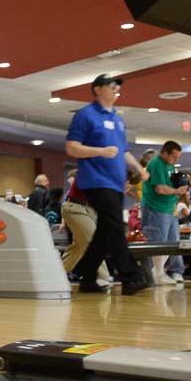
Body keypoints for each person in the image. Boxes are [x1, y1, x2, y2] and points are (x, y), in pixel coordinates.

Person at [64, 74, 149, 295]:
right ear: (98, 89)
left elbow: (124, 151)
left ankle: (87, 274)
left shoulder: (118, 120)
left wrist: (139, 169)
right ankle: (131, 277)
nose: (116, 90)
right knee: (114, 227)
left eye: (118, 87)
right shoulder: (85, 115)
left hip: (115, 182)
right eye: (112, 86)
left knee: (104, 231)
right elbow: (72, 147)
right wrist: (100, 151)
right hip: (95, 180)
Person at [140, 141, 184, 284]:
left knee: (171, 243)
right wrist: (177, 191)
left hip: (169, 209)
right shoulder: (156, 163)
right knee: (158, 242)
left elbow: (171, 183)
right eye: (174, 157)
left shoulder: (169, 164)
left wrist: (186, 182)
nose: (175, 161)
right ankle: (155, 274)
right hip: (156, 208)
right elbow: (160, 188)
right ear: (165, 153)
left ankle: (158, 272)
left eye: (177, 158)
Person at [60, 170, 111, 288]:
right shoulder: (91, 168)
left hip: (89, 209)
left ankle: (56, 273)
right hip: (75, 207)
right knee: (93, 241)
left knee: (78, 246)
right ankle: (103, 277)